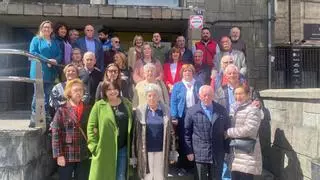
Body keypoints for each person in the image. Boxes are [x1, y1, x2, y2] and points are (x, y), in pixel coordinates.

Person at [87, 81, 133, 180]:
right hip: (104, 148)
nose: (112, 91)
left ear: (119, 90)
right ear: (104, 91)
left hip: (123, 148)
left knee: (121, 176)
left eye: (115, 89)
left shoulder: (127, 103)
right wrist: (94, 147)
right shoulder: (99, 105)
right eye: (109, 89)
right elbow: (91, 126)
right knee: (105, 176)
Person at [132, 83, 177, 180]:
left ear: (159, 97)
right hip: (145, 151)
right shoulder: (140, 111)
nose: (152, 98)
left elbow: (171, 133)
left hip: (161, 150)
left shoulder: (166, 110)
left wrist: (172, 152)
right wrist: (134, 154)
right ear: (146, 97)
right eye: (149, 95)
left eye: (154, 95)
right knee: (147, 177)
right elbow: (135, 134)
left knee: (159, 176)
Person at [184, 85, 230, 180]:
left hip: (217, 152)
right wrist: (189, 152)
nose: (207, 97)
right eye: (204, 95)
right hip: (200, 153)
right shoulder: (192, 111)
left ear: (213, 96)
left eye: (209, 95)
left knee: (216, 178)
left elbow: (227, 130)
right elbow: (187, 133)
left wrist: (227, 150)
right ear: (199, 96)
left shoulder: (221, 110)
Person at [51, 79, 91, 180]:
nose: (78, 93)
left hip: (84, 153)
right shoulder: (62, 110)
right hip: (67, 153)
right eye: (75, 90)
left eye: (81, 90)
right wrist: (58, 155)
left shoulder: (89, 109)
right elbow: (56, 134)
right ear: (69, 92)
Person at [170, 64, 202, 176]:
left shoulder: (198, 84)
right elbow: (173, 102)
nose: (187, 73)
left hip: (197, 116)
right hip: (182, 116)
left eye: (189, 71)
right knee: (184, 140)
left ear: (193, 72)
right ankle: (183, 166)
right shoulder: (178, 86)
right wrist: (174, 116)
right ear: (182, 73)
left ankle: (194, 166)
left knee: (196, 139)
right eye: (185, 71)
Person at [29, 20, 62, 127]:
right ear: (41, 28)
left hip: (51, 72)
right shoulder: (36, 39)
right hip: (39, 71)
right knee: (38, 94)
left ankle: (45, 116)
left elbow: (59, 54)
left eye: (49, 27)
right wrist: (47, 60)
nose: (46, 29)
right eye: (45, 27)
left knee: (48, 95)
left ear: (52, 30)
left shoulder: (55, 42)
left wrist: (55, 61)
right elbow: (33, 53)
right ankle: (35, 116)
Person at [226, 85, 262, 180]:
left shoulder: (253, 109)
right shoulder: (234, 109)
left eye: (241, 93)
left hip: (247, 153)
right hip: (236, 152)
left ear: (248, 95)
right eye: (236, 93)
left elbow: (249, 129)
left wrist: (228, 132)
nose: (238, 96)